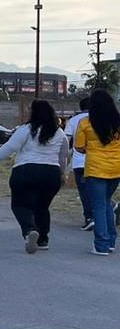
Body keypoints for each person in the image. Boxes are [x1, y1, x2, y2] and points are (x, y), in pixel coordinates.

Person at [0, 99, 71, 254]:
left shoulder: (27, 129)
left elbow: (11, 146)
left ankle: (29, 230)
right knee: (42, 207)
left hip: (26, 170)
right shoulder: (59, 132)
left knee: (20, 205)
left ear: (34, 112)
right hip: (51, 173)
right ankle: (43, 239)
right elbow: (64, 155)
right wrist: (62, 174)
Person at [73, 89, 120, 256]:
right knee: (106, 202)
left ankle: (101, 245)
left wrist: (91, 149)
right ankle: (111, 241)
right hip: (116, 169)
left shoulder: (85, 123)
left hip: (95, 169)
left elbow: (78, 147)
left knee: (98, 205)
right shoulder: (118, 122)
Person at [64, 96, 93, 230]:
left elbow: (66, 140)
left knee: (84, 191)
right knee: (98, 189)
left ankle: (89, 217)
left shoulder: (74, 120)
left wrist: (67, 155)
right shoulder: (102, 118)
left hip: (80, 161)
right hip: (98, 161)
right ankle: (111, 207)